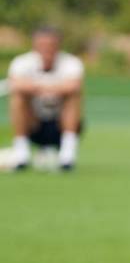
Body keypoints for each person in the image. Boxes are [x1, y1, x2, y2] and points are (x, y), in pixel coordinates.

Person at [6, 27, 85, 171]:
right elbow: (16, 84)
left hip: (58, 125)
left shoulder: (71, 62)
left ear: (58, 45)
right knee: (18, 97)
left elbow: (74, 86)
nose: (46, 49)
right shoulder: (21, 62)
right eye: (42, 45)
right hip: (33, 124)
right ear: (34, 45)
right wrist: (52, 87)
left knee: (73, 97)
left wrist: (37, 87)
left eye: (51, 45)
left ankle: (67, 156)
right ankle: (21, 154)